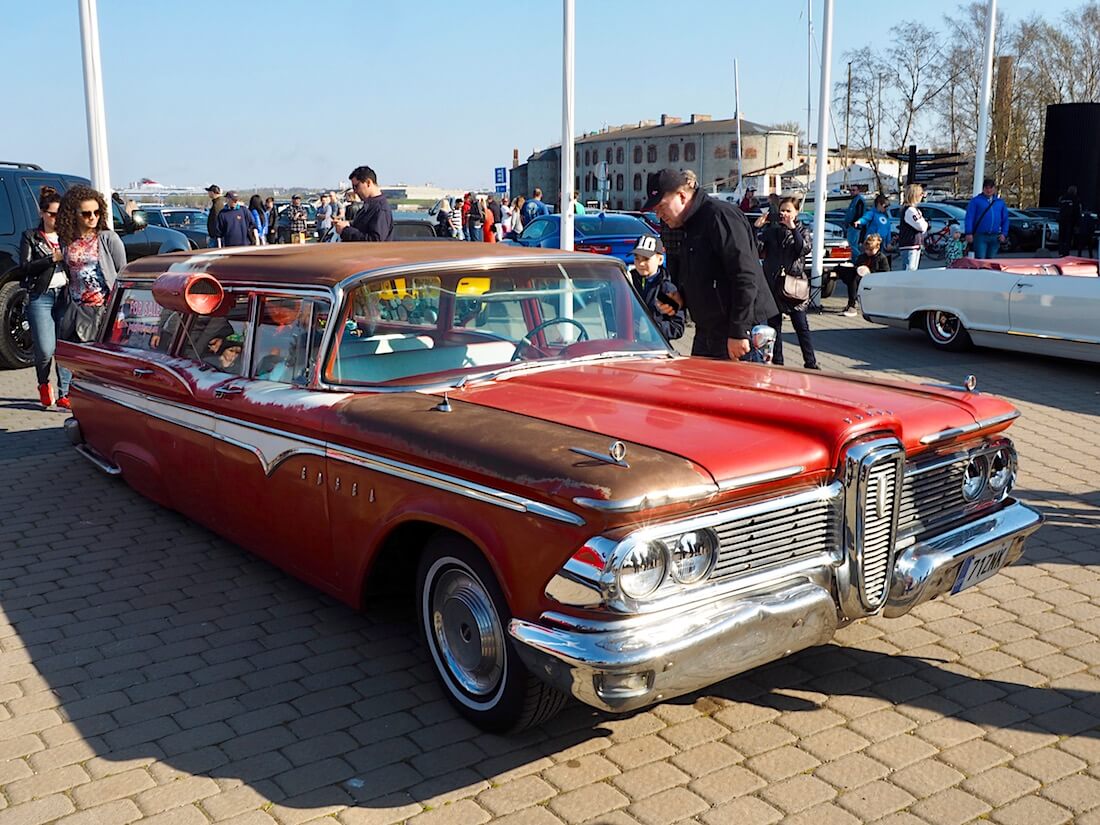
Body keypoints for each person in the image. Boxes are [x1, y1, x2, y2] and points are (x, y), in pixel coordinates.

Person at [644, 168, 777, 360]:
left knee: (735, 390)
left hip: (738, 331)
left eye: (662, 207)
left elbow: (745, 276)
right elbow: (705, 275)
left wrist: (738, 331)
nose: (659, 215)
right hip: (708, 331)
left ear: (681, 196)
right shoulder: (689, 224)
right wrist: (680, 299)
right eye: (655, 210)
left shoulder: (720, 216)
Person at [56, 186, 126, 407]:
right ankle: (66, 395)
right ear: (73, 214)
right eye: (86, 214)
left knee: (98, 359)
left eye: (96, 212)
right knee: (69, 353)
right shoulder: (66, 240)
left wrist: (121, 308)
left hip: (102, 307)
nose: (93, 218)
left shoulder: (108, 238)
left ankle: (103, 399)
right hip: (75, 306)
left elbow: (122, 272)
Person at [18, 186, 68, 408]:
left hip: (65, 295)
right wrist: (52, 259)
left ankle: (65, 392)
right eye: (52, 214)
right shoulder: (30, 236)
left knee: (64, 347)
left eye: (60, 214)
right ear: (42, 213)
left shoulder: (67, 237)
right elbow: (25, 267)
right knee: (46, 348)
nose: (56, 219)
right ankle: (42, 383)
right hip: (41, 296)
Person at [760, 197, 819, 369]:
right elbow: (756, 248)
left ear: (796, 213)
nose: (784, 214)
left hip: (794, 284)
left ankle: (811, 362)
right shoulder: (772, 231)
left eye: (788, 211)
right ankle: (778, 362)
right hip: (774, 283)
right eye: (782, 210)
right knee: (774, 326)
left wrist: (793, 229)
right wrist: (757, 227)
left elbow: (803, 249)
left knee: (801, 325)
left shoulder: (802, 230)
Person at [628, 234, 684, 341]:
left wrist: (650, 328)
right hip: (631, 344)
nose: (641, 263)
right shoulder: (629, 280)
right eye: (637, 258)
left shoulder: (666, 290)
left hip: (656, 347)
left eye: (646, 259)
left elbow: (677, 327)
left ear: (660, 260)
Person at [334, 165, 394, 241]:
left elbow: (376, 241)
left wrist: (345, 231)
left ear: (368, 183)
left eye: (356, 186)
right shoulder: (370, 206)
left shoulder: (380, 209)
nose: (355, 191)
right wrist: (348, 224)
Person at [839, 233, 890, 317]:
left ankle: (852, 305)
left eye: (870, 250)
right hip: (861, 278)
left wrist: (870, 272)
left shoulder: (881, 258)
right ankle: (851, 304)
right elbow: (857, 265)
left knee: (854, 280)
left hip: (874, 279)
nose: (868, 252)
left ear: (877, 248)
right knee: (852, 277)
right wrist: (857, 268)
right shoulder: (862, 256)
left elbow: (886, 273)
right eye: (866, 249)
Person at [964, 178, 1008, 259]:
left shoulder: (1000, 202)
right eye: (986, 188)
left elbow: (1005, 219)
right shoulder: (976, 201)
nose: (989, 190)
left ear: (994, 189)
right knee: (981, 260)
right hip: (980, 235)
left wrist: (1004, 233)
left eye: (991, 188)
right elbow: (969, 217)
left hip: (995, 236)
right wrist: (968, 232)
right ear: (983, 189)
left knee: (991, 261)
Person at [896, 184, 929, 271]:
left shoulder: (914, 209)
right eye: (921, 193)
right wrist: (925, 223)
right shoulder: (910, 210)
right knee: (909, 271)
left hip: (915, 244)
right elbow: (922, 226)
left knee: (913, 271)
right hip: (909, 244)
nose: (923, 195)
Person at [1057, 185, 1082, 257]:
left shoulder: (1062, 198)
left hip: (1062, 220)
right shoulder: (1076, 199)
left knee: (1061, 236)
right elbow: (1077, 211)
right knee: (1068, 237)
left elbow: (1060, 209)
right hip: (1070, 220)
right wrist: (1078, 223)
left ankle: (1060, 251)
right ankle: (1066, 252)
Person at [844, 184, 868, 251]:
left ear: (858, 191)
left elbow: (859, 214)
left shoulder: (859, 201)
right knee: (852, 245)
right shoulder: (854, 200)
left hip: (855, 228)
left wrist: (853, 224)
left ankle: (857, 260)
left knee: (853, 246)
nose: (851, 192)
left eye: (854, 190)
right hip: (851, 227)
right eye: (850, 190)